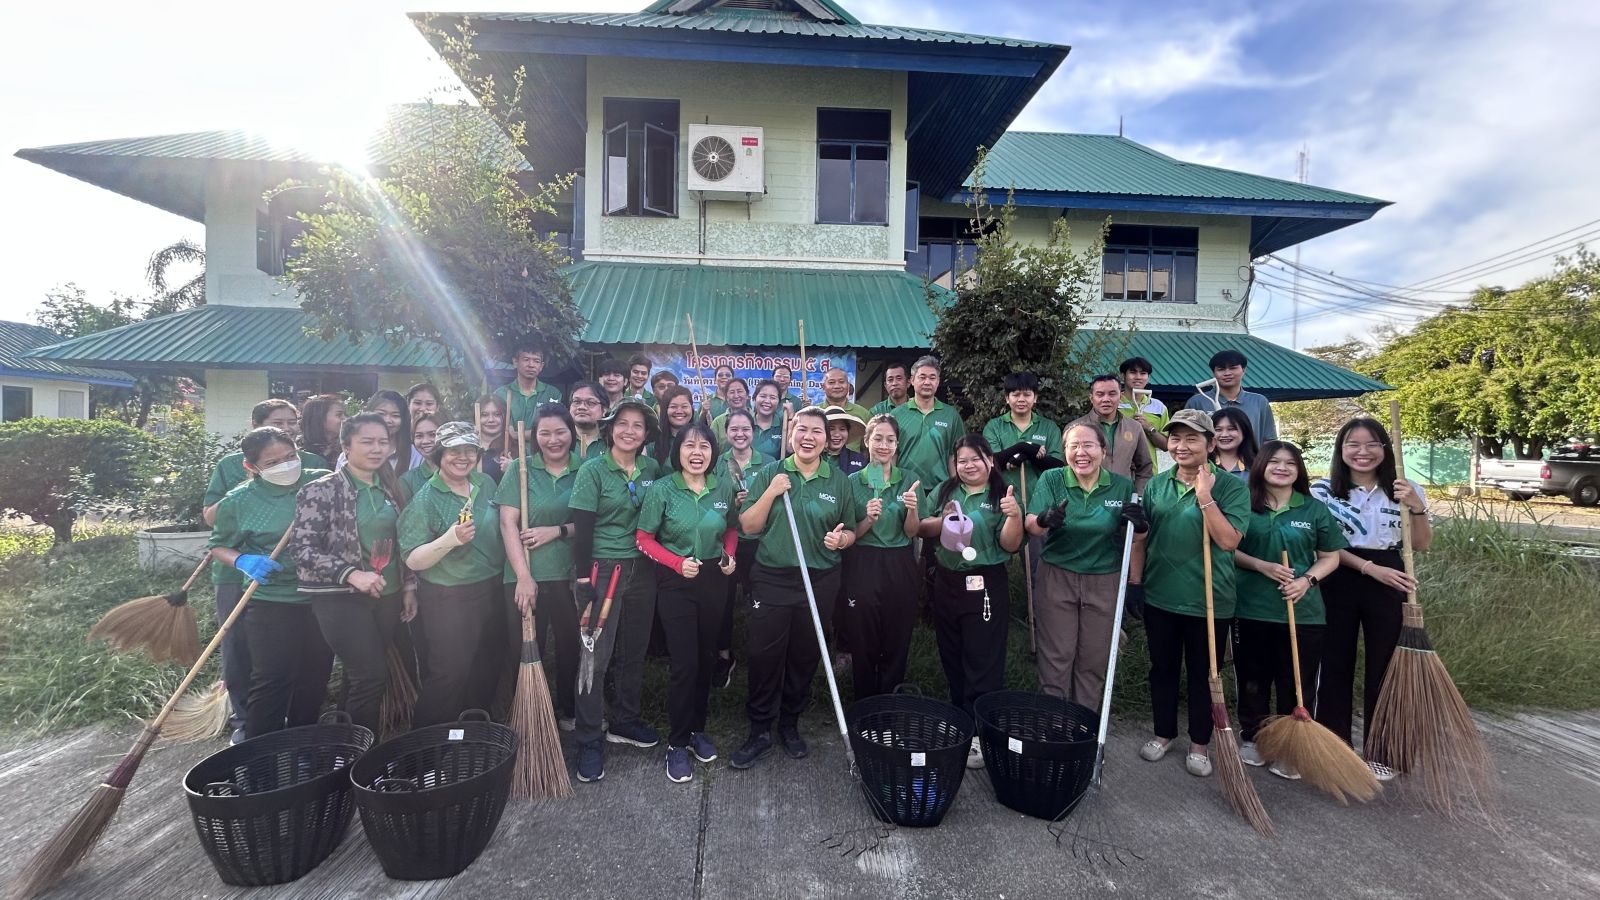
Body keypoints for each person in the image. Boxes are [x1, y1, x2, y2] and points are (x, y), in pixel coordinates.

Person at [732, 406, 857, 768]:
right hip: (772, 576)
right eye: (802, 430)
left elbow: (849, 529)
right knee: (764, 655)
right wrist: (771, 492)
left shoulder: (838, 481)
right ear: (791, 434)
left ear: (826, 439)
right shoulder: (772, 472)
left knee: (804, 653)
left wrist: (842, 540)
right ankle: (759, 730)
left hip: (819, 578)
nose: (808, 437)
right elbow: (748, 526)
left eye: (817, 432)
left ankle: (790, 724)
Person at [201, 398, 327, 743]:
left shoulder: (321, 482)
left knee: (314, 675)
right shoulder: (239, 501)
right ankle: (260, 753)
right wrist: (243, 561)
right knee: (273, 678)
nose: (285, 466)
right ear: (251, 466)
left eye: (290, 458)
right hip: (273, 599)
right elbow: (218, 546)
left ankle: (303, 745)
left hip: (320, 595)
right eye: (273, 462)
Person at [1311, 417, 1430, 781]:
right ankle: (1334, 746)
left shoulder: (1405, 489)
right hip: (1337, 573)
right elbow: (1323, 545)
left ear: (1385, 448)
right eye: (1353, 444)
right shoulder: (1323, 491)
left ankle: (1383, 750)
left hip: (1392, 576)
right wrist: (1367, 568)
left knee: (1388, 664)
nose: (1362, 452)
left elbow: (1422, 543)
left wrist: (1416, 507)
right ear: (1341, 450)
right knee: (1332, 664)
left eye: (1372, 444)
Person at [1133, 409, 1250, 778]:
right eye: (1176, 439)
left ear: (1211, 444)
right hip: (1161, 595)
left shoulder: (1231, 487)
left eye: (1192, 438)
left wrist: (1205, 497)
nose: (1181, 446)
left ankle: (1200, 743)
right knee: (1163, 669)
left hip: (1209, 599)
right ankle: (1163, 733)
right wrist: (1136, 585)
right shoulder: (1156, 484)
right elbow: (1142, 538)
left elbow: (1229, 540)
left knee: (1204, 674)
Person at [289, 412, 414, 736]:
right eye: (367, 442)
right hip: (341, 599)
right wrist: (350, 574)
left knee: (357, 677)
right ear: (346, 444)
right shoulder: (322, 491)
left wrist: (408, 588)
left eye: (383, 442)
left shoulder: (389, 489)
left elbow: (404, 543)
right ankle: (359, 757)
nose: (376, 449)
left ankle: (341, 745)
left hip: (387, 596)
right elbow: (302, 548)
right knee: (371, 676)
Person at [1232, 440, 1347, 779]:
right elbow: (1228, 547)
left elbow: (1331, 556)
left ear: (1298, 471)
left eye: (1290, 463)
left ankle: (1290, 744)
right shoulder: (1245, 505)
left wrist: (1306, 581)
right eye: (1274, 462)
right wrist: (1261, 566)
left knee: (1296, 681)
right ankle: (1254, 736)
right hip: (1251, 607)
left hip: (1303, 611)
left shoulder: (1312, 509)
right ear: (1261, 467)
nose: (1282, 468)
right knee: (1252, 679)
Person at [636, 421, 739, 783]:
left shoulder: (721, 484)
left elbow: (730, 527)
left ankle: (697, 730)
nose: (697, 453)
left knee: (707, 657)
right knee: (684, 662)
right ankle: (677, 743)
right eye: (690, 446)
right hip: (676, 581)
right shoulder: (663, 489)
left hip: (714, 579)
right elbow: (644, 539)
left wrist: (729, 555)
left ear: (713, 453)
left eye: (705, 447)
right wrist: (677, 563)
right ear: (677, 451)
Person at [915, 435, 1024, 768]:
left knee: (983, 656)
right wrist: (943, 518)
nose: (969, 466)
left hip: (985, 582)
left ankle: (980, 732)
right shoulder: (946, 491)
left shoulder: (1002, 494)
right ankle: (960, 719)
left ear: (990, 460)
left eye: (976, 459)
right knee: (952, 651)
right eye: (962, 461)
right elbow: (922, 528)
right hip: (947, 581)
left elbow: (1009, 546)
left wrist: (1014, 516)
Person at [568, 399, 663, 782]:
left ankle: (625, 720)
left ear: (646, 435)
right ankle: (589, 739)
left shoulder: (651, 468)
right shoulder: (593, 470)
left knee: (633, 651)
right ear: (610, 429)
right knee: (594, 655)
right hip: (601, 570)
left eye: (637, 426)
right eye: (622, 424)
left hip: (642, 568)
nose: (629, 431)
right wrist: (581, 579)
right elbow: (583, 526)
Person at [1025, 422, 1145, 706]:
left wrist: (1139, 524)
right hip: (1057, 575)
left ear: (1103, 451)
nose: (1081, 452)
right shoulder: (1052, 479)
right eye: (1073, 446)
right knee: (1057, 655)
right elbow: (1032, 525)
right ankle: (1054, 724)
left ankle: (1084, 725)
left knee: (1093, 657)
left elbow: (1137, 536)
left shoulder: (1121, 486)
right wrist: (1044, 519)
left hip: (1104, 579)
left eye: (1088, 445)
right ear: (1064, 451)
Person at [399, 422, 506, 726]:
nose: (462, 456)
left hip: (491, 587)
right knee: (450, 671)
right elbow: (412, 558)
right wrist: (449, 540)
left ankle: (471, 728)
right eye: (454, 450)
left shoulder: (485, 483)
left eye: (469, 450)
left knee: (487, 662)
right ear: (439, 454)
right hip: (449, 596)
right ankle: (426, 748)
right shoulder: (426, 498)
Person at [497, 403, 582, 731]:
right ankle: (530, 712)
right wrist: (523, 576)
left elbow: (589, 521)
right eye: (545, 433)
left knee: (569, 644)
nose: (553, 439)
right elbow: (507, 523)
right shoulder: (520, 469)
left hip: (567, 575)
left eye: (561, 432)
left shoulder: (584, 469)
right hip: (524, 575)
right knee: (524, 647)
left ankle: (568, 710)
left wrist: (557, 531)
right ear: (534, 436)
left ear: (571, 433)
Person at [843, 414, 922, 698]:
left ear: (897, 444)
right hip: (864, 561)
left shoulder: (910, 480)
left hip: (900, 561)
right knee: (863, 635)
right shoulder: (853, 481)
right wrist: (868, 520)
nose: (883, 445)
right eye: (877, 438)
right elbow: (851, 534)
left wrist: (912, 510)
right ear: (867, 442)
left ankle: (889, 698)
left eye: (890, 440)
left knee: (897, 633)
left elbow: (912, 532)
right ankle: (864, 699)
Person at [714, 408, 774, 689]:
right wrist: (733, 504)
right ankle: (724, 655)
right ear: (727, 432)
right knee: (723, 600)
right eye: (734, 429)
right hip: (727, 541)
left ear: (753, 431)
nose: (740, 434)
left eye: (745, 429)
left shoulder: (770, 463)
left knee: (760, 600)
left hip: (760, 543)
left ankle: (760, 652)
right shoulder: (716, 464)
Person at [983, 371, 1064, 498]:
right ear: (1007, 398)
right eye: (1015, 395)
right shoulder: (993, 427)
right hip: (1003, 498)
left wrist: (1027, 455)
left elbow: (1058, 467)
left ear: (1035, 397)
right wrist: (1023, 447)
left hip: (1042, 499)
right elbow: (992, 463)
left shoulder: (1050, 428)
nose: (1021, 399)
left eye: (1027, 395)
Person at [1069, 374, 1153, 493]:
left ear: (1121, 396)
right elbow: (1066, 467)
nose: (1106, 399)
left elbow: (1145, 467)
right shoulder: (1075, 428)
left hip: (1123, 496)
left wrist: (1138, 495)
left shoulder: (1134, 427)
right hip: (1087, 498)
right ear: (1091, 398)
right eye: (1100, 394)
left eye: (1112, 394)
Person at [890, 355, 965, 488]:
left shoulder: (951, 415)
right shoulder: (896, 415)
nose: (927, 382)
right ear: (912, 380)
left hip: (940, 490)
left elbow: (955, 457)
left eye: (932, 378)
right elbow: (891, 455)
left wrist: (956, 489)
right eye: (922, 377)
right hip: (904, 488)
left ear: (938, 382)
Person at [1185, 349, 1277, 441]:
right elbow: (1188, 437)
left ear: (1243, 370)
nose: (1227, 373)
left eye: (1233, 368)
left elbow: (1269, 440)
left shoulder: (1259, 402)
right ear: (1214, 373)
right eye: (1221, 369)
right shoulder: (1196, 402)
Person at [341, 390, 413, 480]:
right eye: (381, 414)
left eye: (395, 415)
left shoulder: (414, 454)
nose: (387, 420)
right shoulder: (350, 452)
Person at [496, 341, 563, 433]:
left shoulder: (552, 393)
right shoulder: (501, 393)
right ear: (515, 362)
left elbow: (552, 429)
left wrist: (517, 435)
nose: (531, 365)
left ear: (541, 366)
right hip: (509, 447)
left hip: (542, 447)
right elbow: (505, 430)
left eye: (536, 361)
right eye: (526, 359)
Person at [1119, 357, 1171, 472]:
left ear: (1148, 378)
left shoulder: (1159, 407)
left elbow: (1166, 446)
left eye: (1143, 373)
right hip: (1117, 473)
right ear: (1123, 376)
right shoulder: (1112, 404)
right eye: (1133, 372)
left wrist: (1149, 428)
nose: (1138, 377)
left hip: (1149, 474)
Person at [820, 368, 870, 450]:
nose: (837, 386)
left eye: (841, 382)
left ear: (848, 386)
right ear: (823, 386)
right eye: (831, 382)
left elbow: (867, 446)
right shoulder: (815, 412)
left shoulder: (863, 413)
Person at [397, 414, 440, 502]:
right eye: (419, 436)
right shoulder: (408, 480)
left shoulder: (462, 472)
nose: (425, 441)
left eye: (432, 434)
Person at [652, 386, 696, 467]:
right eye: (673, 407)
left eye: (684, 406)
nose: (679, 411)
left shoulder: (701, 439)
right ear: (665, 410)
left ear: (692, 409)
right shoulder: (653, 442)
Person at [1210, 406, 1258, 479]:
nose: (1224, 435)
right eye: (1218, 429)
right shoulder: (1202, 465)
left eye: (1231, 429)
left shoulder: (1259, 465)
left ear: (1245, 431)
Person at [299, 394, 345, 468]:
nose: (344, 418)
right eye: (339, 415)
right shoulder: (299, 452)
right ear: (320, 417)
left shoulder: (346, 448)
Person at [406, 381, 443, 469]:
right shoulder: (400, 435)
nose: (423, 408)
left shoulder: (444, 434)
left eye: (429, 404)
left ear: (437, 407)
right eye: (417, 403)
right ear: (408, 405)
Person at [569, 381, 609, 462]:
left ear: (604, 410)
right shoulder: (561, 439)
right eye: (577, 402)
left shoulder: (612, 442)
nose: (582, 407)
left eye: (590, 403)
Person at [475, 393, 512, 482]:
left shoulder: (515, 448)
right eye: (484, 414)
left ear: (506, 417)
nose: (491, 420)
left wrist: (513, 470)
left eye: (497, 414)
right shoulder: (468, 446)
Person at [823, 407, 868, 475]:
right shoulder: (812, 458)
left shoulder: (861, 460)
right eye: (831, 429)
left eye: (842, 429)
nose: (837, 434)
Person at [749, 379, 787, 458]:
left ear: (779, 402)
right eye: (763, 396)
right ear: (754, 398)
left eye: (773, 398)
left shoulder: (784, 425)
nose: (767, 401)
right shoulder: (745, 423)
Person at [709, 378, 751, 445]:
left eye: (739, 391)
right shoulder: (717, 423)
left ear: (747, 395)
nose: (736, 396)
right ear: (726, 397)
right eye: (732, 392)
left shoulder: (757, 419)